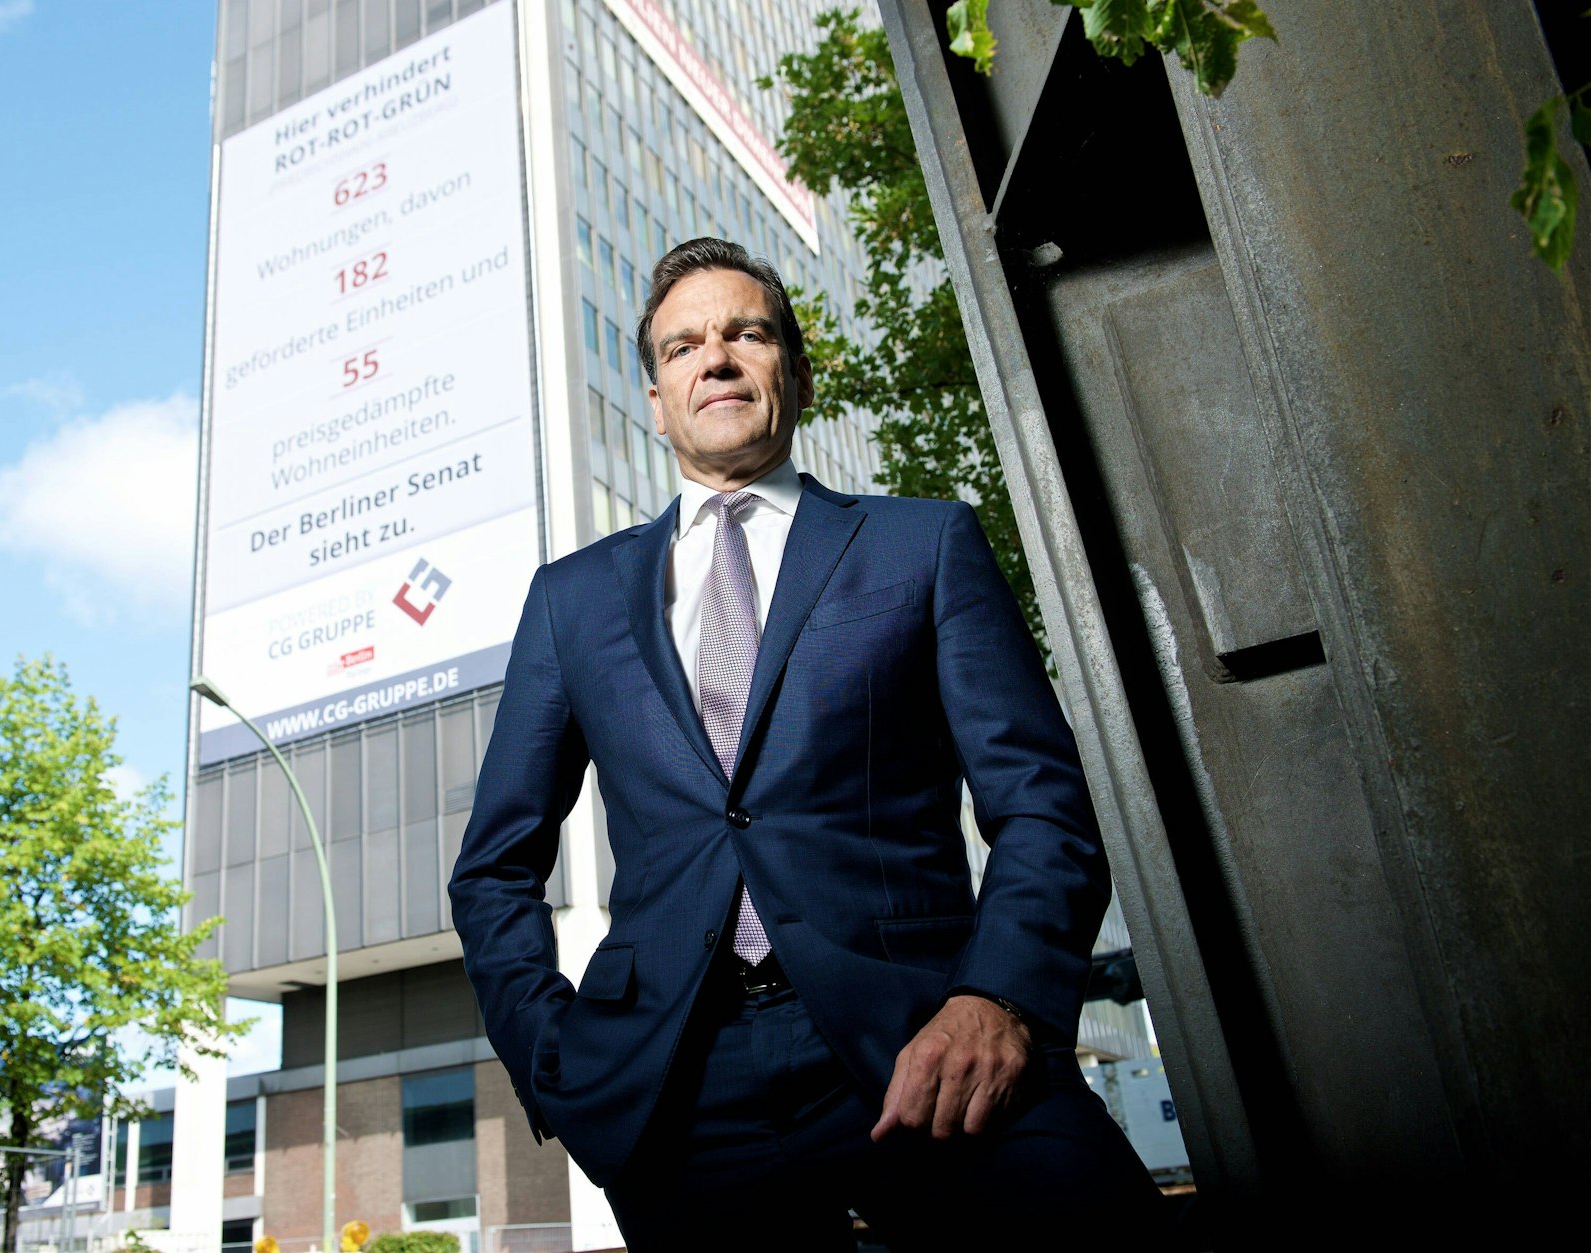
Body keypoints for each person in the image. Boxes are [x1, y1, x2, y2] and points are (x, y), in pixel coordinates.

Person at [448, 238, 1163, 1248]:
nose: (718, 358)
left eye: (747, 332)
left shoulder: (921, 545)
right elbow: (492, 866)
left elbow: (1041, 800)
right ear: (655, 396)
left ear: (797, 370)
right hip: (677, 1087)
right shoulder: (571, 601)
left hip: (927, 1033)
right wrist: (553, 1056)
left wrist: (996, 995)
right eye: (684, 344)